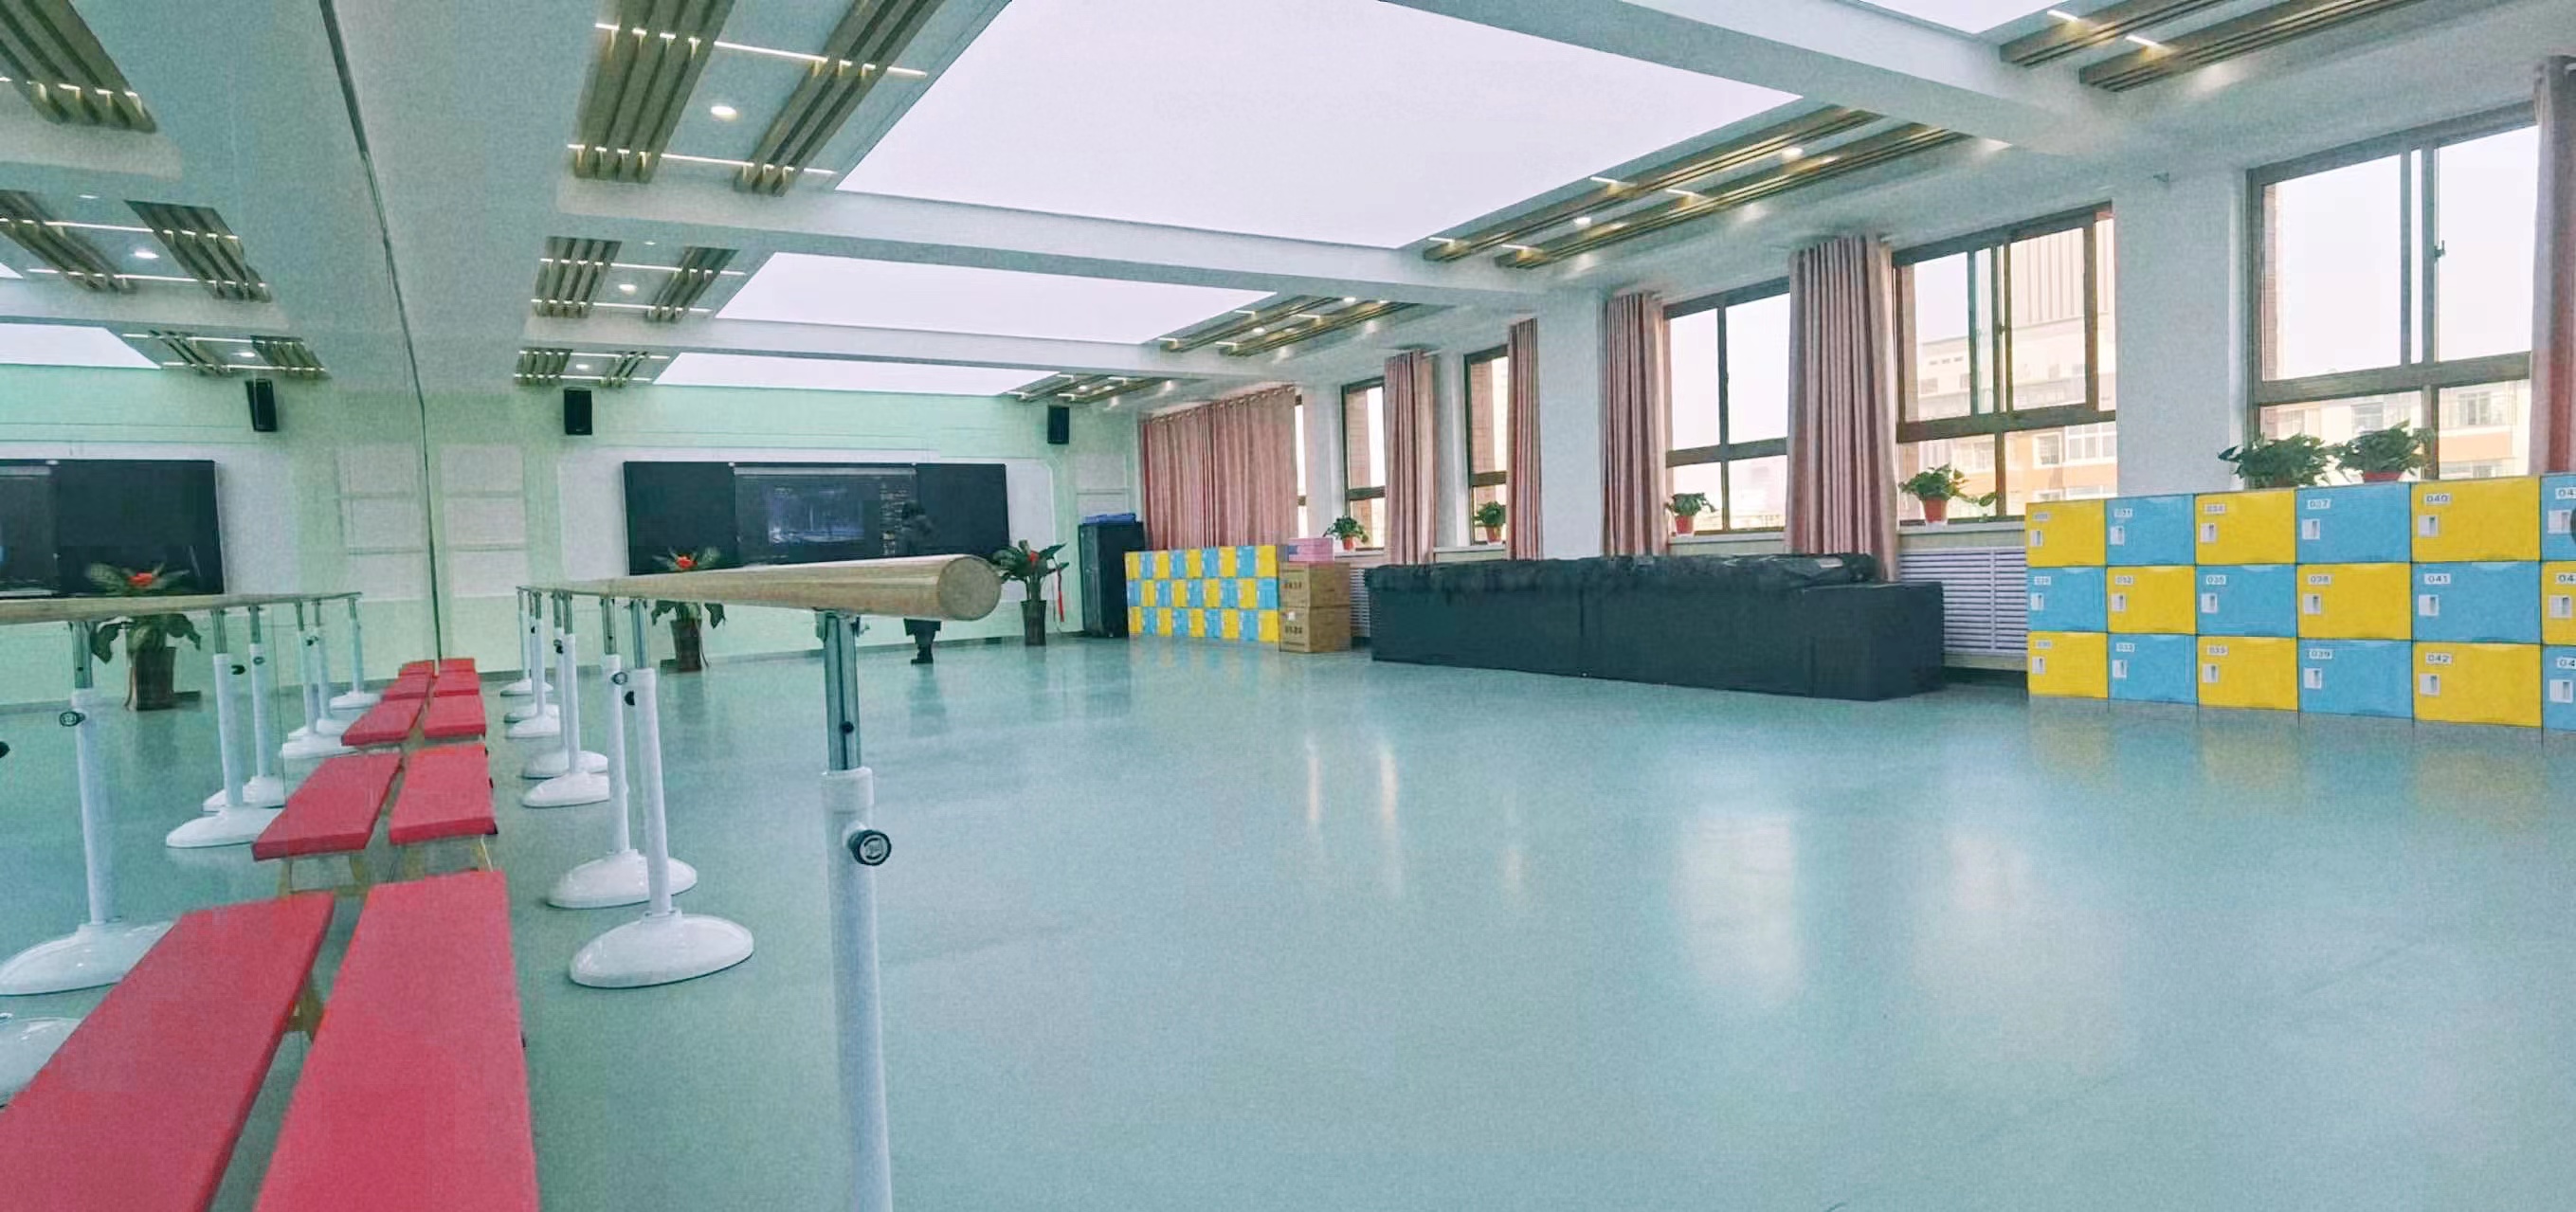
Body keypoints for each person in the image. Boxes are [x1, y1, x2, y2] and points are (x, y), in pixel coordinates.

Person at [895, 502, 939, 665]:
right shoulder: (931, 531)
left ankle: (923, 652)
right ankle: (928, 650)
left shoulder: (906, 533)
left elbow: (901, 557)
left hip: (913, 582)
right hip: (932, 581)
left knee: (917, 618)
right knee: (930, 617)